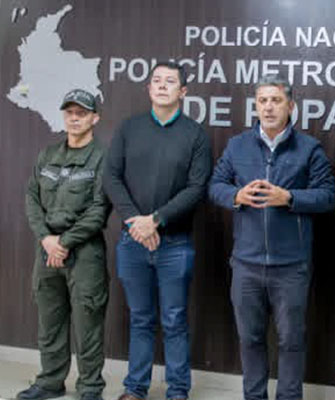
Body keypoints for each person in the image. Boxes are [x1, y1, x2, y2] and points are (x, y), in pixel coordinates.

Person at [208, 73, 335, 400]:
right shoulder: (237, 145)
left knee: (291, 341)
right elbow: (215, 186)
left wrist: (289, 198)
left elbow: (327, 196)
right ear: (256, 105)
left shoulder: (309, 148)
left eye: (276, 100)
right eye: (262, 101)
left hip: (291, 267)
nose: (268, 107)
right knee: (250, 340)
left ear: (290, 106)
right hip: (246, 265)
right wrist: (236, 196)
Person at [103, 61, 212, 400]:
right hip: (132, 241)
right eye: (157, 80)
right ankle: (135, 388)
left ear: (183, 91)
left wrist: (156, 219)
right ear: (149, 88)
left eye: (170, 81)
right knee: (140, 318)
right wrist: (136, 221)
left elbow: (196, 188)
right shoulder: (129, 128)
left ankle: (177, 390)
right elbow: (111, 177)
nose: (162, 85)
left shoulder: (195, 134)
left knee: (175, 319)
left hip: (175, 244)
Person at [22, 89, 110, 400]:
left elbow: (99, 208)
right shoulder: (48, 155)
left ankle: (90, 387)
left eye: (81, 113)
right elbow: (32, 199)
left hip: (84, 253)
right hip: (46, 251)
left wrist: (64, 242)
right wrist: (47, 239)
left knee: (88, 324)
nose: (74, 118)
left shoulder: (103, 158)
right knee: (50, 323)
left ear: (94, 118)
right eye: (70, 113)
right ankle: (50, 382)